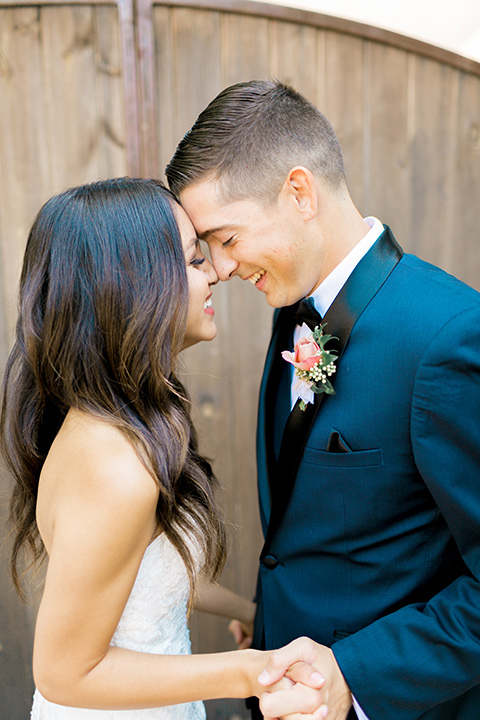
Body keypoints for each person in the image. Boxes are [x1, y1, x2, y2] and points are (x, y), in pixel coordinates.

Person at [166, 80, 480, 720]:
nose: (220, 269)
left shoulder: (448, 335)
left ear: (300, 193)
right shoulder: (296, 311)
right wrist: (271, 619)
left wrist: (356, 678)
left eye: (226, 239)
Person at [0, 177, 304, 719]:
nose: (215, 272)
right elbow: (65, 672)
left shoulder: (121, 421)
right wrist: (250, 672)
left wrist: (248, 610)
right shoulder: (115, 465)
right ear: (134, 287)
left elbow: (146, 573)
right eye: (193, 261)